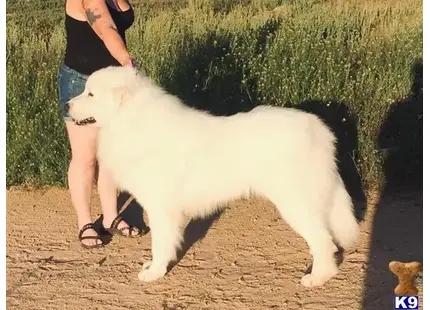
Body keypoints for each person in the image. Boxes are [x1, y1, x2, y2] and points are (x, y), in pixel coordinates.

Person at [58, 0, 142, 249]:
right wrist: (128, 63)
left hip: (111, 86)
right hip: (82, 84)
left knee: (110, 155)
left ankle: (110, 216)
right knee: (85, 157)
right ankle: (84, 223)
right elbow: (107, 29)